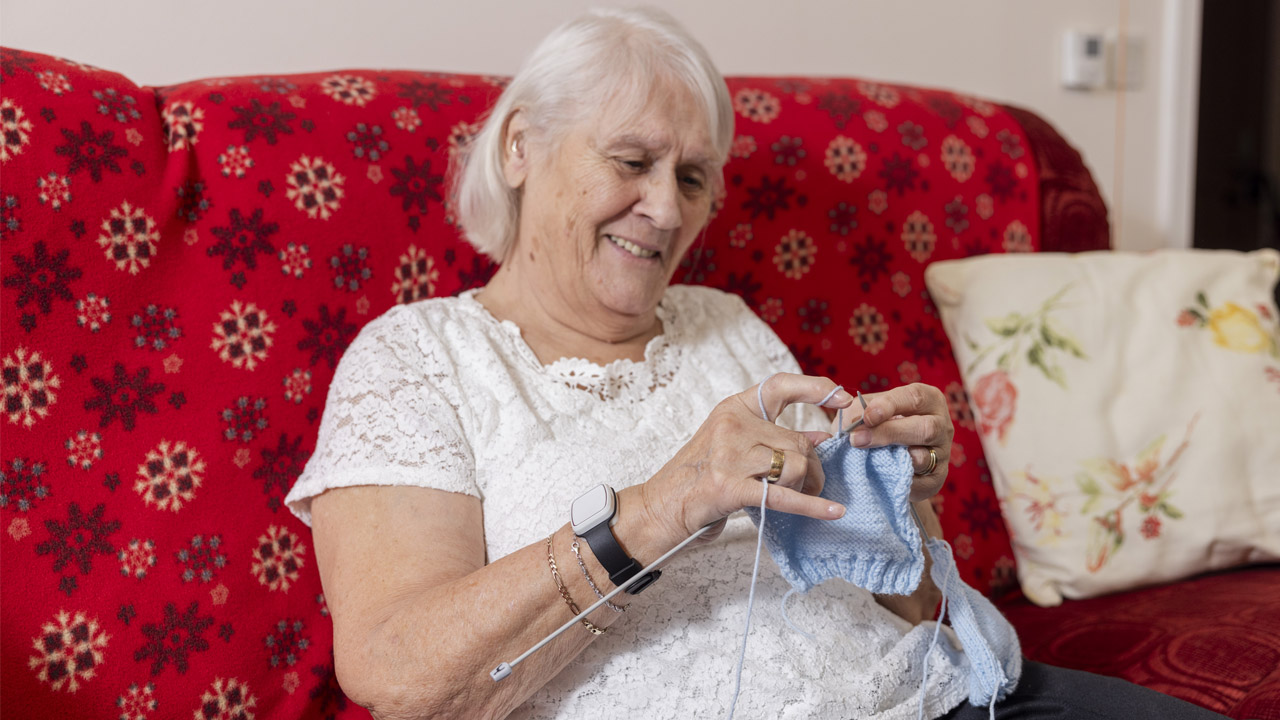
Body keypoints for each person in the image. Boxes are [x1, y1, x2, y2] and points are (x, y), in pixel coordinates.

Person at [284, 8, 1227, 719]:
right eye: (631, 160)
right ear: (522, 146)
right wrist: (656, 511)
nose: (664, 207)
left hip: (936, 697)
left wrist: (904, 503)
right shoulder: (419, 357)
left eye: (692, 178)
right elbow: (396, 672)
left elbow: (904, 604)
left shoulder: (726, 325)